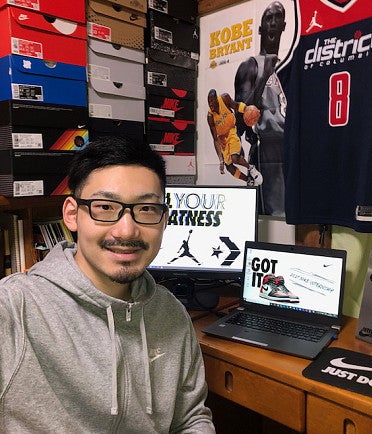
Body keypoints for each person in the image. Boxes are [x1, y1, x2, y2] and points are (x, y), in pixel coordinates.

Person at [0, 136, 215, 433]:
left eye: (146, 209)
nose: (126, 229)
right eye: (105, 207)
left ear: (164, 220)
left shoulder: (170, 313)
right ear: (72, 215)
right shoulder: (14, 308)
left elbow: (190, 418)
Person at [234, 1, 286, 215]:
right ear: (260, 28)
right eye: (268, 18)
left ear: (284, 25)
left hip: (291, 146)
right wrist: (265, 76)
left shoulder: (289, 65)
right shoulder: (251, 66)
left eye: (278, 17)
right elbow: (241, 117)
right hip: (267, 148)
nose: (273, 23)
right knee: (274, 217)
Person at [207, 88, 263, 186]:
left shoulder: (224, 98)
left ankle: (251, 168)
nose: (210, 104)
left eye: (212, 101)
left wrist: (247, 109)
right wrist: (220, 160)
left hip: (232, 131)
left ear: (217, 99)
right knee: (229, 167)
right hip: (222, 139)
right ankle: (249, 181)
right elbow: (215, 139)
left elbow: (236, 105)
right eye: (209, 102)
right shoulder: (210, 117)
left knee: (234, 158)